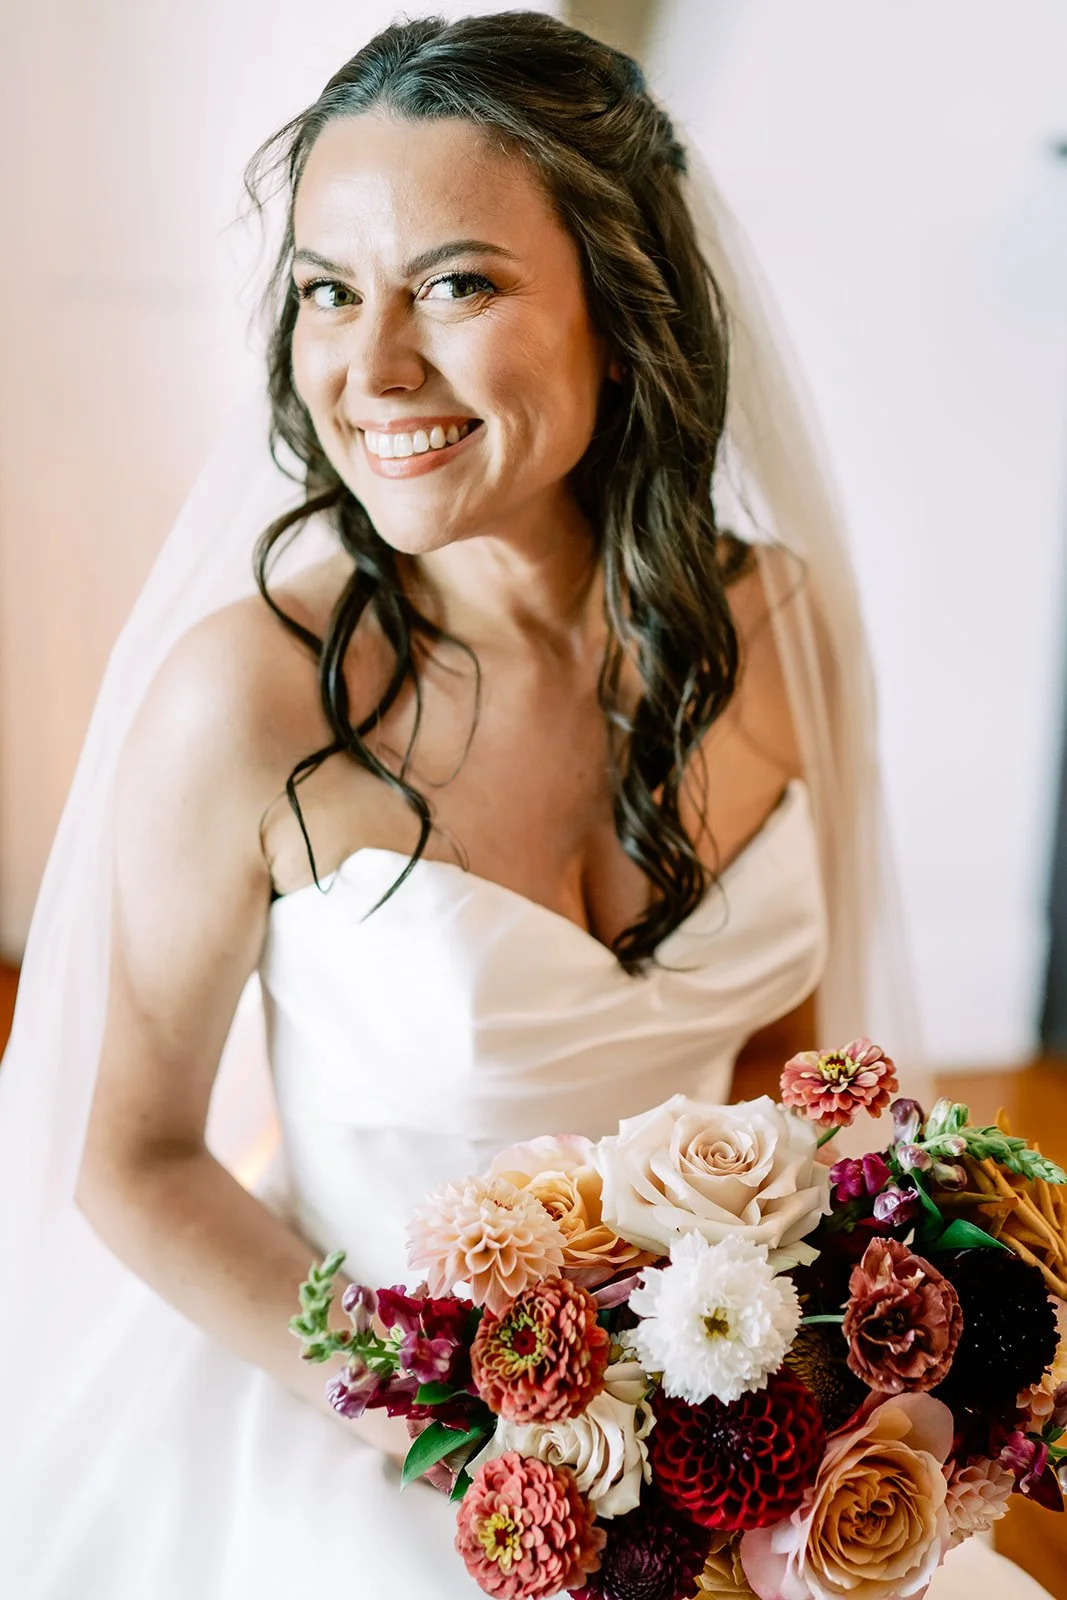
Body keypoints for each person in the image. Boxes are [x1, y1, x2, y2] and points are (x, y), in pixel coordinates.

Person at [0, 12, 1051, 1598]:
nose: (372, 370)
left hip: (702, 1420)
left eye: (457, 283)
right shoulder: (251, 702)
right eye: (327, 293)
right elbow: (130, 1158)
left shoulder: (776, 622)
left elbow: (789, 1068)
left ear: (618, 314)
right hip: (364, 1414)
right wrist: (445, 1421)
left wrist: (791, 1365)